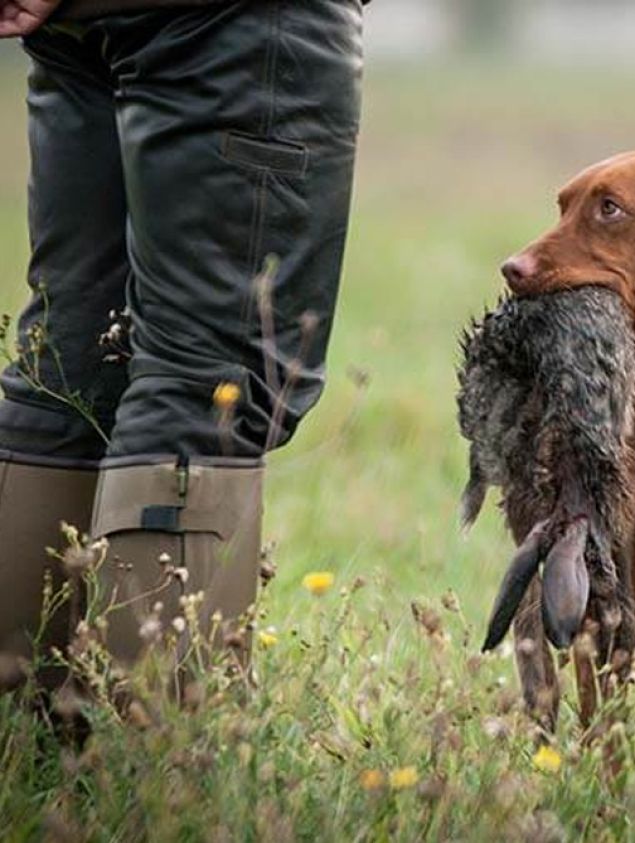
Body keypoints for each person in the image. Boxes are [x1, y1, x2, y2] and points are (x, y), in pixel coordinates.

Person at [0, 0, 364, 680]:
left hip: (80, 22)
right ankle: (163, 737)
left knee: (72, 369)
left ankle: (28, 727)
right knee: (210, 388)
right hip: (229, 22)